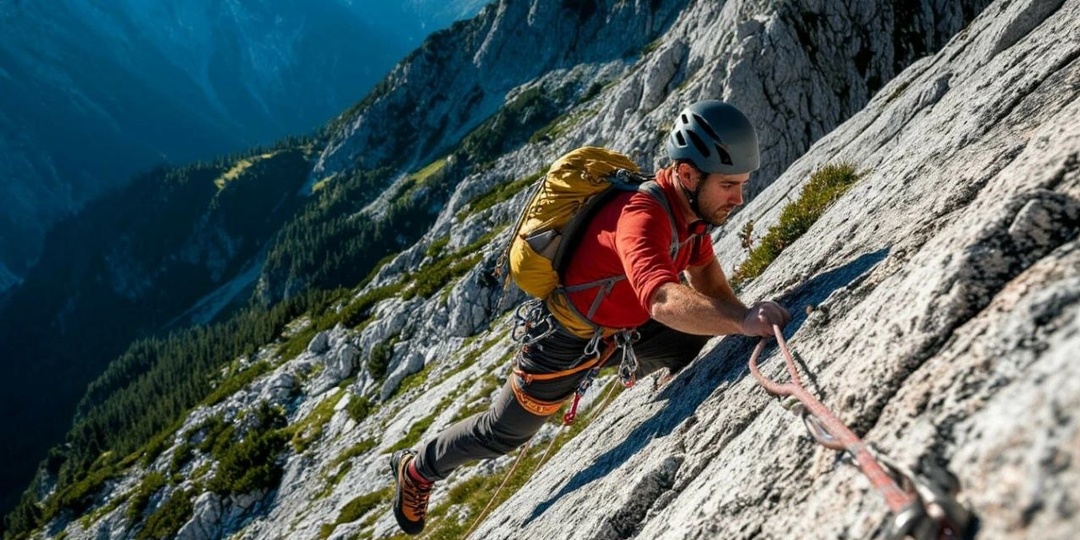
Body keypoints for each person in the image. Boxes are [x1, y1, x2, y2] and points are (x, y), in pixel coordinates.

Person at [389, 100, 791, 535]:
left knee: (694, 334)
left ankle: (662, 377)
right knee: (503, 433)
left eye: (743, 184)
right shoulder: (641, 216)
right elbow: (660, 298)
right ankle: (418, 469)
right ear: (689, 175)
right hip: (565, 339)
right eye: (729, 185)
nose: (739, 198)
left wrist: (743, 315)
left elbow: (709, 285)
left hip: (626, 329)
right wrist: (741, 321)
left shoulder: (690, 214)